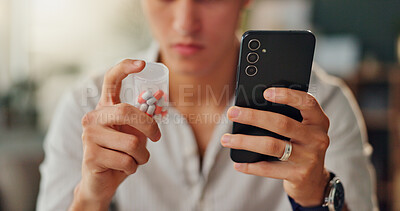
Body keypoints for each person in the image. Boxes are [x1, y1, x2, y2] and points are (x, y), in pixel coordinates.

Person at [36, 0, 378, 210]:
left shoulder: (323, 107)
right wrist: (90, 200)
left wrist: (314, 197)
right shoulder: (87, 110)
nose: (185, 22)